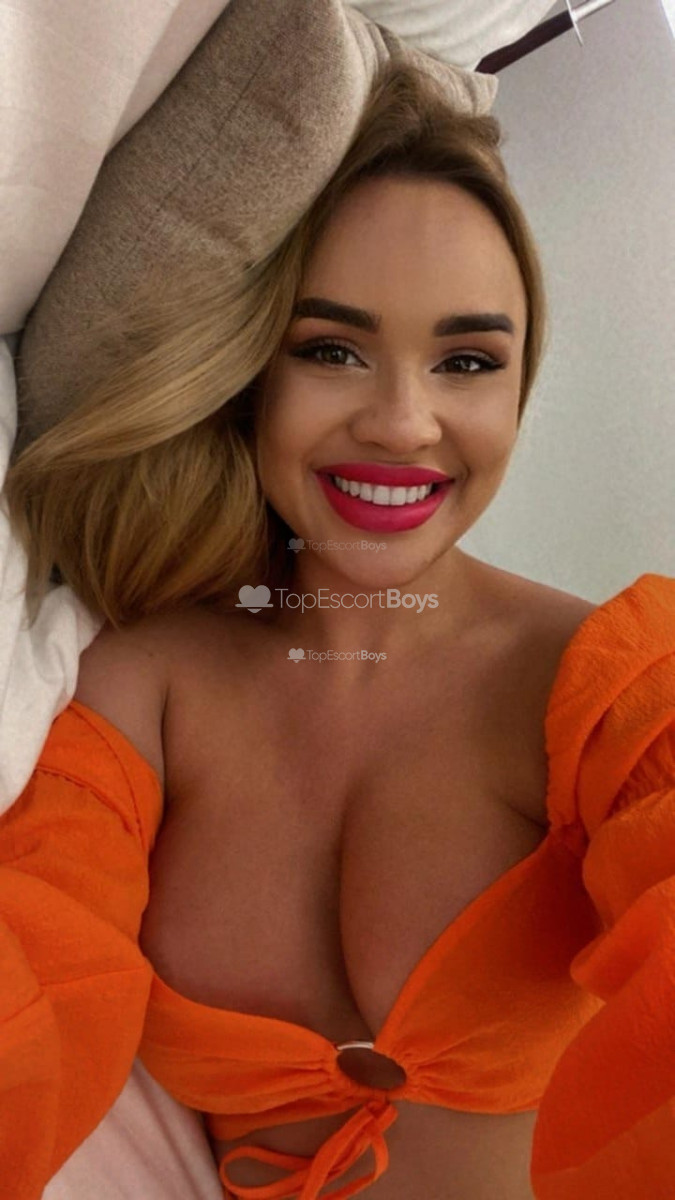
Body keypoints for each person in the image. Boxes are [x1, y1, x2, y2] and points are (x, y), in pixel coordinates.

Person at [2, 59, 675, 1200]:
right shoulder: (139, 680)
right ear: (248, 373)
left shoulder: (608, 691)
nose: (404, 423)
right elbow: (31, 975)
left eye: (466, 362)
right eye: (331, 349)